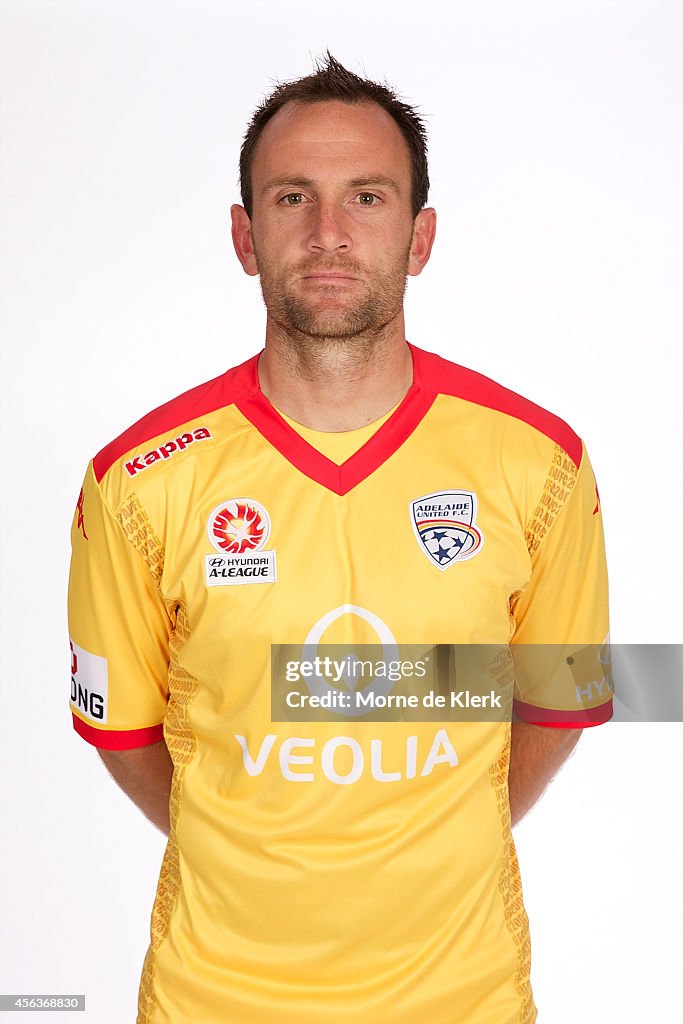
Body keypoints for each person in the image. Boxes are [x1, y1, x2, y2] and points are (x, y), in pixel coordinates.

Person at [68, 51, 612, 1024]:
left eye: (365, 196)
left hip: (461, 997)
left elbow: (557, 692)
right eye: (291, 198)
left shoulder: (538, 464)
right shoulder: (140, 481)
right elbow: (121, 727)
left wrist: (436, 841)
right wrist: (251, 844)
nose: (327, 233)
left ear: (419, 235)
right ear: (243, 235)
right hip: (214, 998)